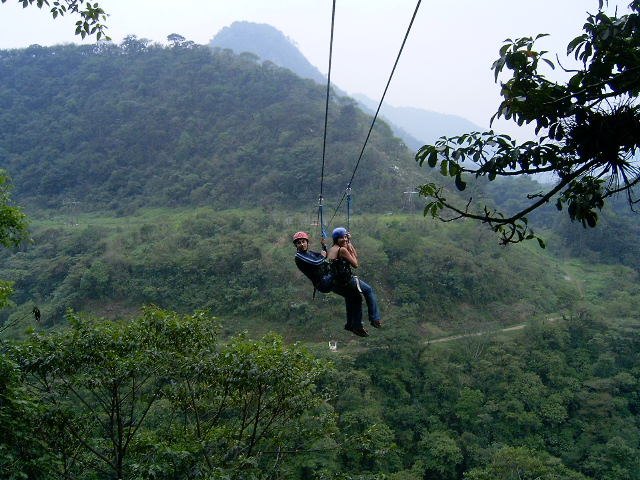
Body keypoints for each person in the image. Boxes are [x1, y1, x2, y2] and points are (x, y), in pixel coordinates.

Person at [292, 231, 366, 336]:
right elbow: (316, 262)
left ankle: (351, 324)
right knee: (354, 295)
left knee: (351, 295)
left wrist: (324, 246)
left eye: (303, 242)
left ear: (307, 242)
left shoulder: (310, 253)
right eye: (299, 243)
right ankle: (356, 324)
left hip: (326, 279)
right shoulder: (299, 256)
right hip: (323, 282)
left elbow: (323, 255)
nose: (302, 244)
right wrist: (323, 256)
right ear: (296, 245)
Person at [328, 227, 381, 336]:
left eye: (345, 237)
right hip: (348, 281)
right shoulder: (342, 250)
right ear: (336, 239)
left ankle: (352, 324)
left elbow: (354, 256)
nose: (344, 240)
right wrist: (349, 245)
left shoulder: (332, 248)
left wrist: (349, 243)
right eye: (341, 238)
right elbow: (355, 264)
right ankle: (374, 318)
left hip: (337, 284)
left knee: (354, 298)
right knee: (368, 290)